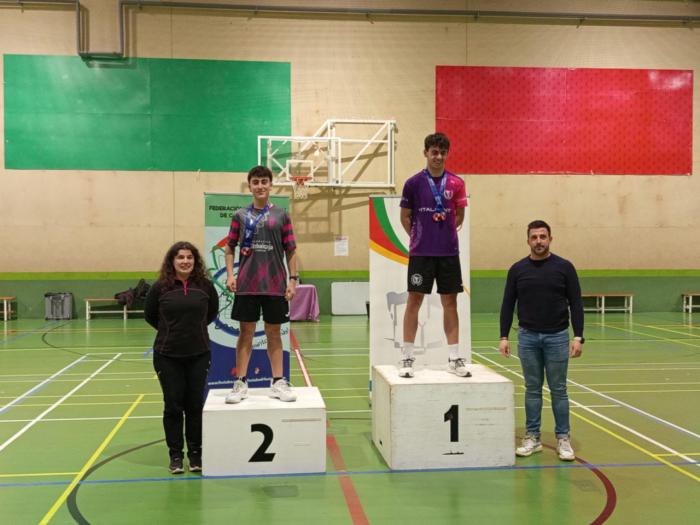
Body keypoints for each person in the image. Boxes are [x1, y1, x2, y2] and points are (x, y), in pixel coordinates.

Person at [499, 220, 584, 461]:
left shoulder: (564, 267)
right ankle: (532, 437)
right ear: (528, 240)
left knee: (559, 390)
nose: (539, 241)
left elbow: (576, 303)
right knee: (532, 389)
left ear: (550, 239)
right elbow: (508, 304)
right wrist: (504, 336)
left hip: (557, 337)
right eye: (534, 237)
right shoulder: (517, 270)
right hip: (527, 337)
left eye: (543, 237)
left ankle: (563, 438)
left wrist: (578, 336)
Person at [224, 165, 298, 404]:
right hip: (247, 286)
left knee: (274, 333)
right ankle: (241, 382)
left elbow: (291, 250)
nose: (260, 186)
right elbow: (229, 248)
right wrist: (230, 275)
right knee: (245, 333)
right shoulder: (240, 216)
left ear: (271, 185)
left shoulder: (282, 215)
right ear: (250, 186)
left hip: (275, 286)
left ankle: (277, 382)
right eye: (255, 182)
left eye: (264, 181)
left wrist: (293, 280)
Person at [399, 132, 470, 378]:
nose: (438, 157)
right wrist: (419, 236)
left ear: (447, 154)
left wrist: (445, 231)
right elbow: (405, 217)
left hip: (448, 253)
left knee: (450, 303)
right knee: (414, 301)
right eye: (434, 152)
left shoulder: (457, 183)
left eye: (442, 152)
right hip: (421, 253)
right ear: (426, 153)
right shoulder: (413, 183)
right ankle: (407, 357)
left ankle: (454, 358)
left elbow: (459, 215)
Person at [145, 241, 219, 474]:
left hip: (199, 354)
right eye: (180, 257)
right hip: (167, 356)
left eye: (189, 257)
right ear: (172, 261)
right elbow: (150, 316)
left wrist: (192, 333)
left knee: (195, 405)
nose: (185, 261)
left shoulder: (206, 287)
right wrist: (172, 332)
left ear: (195, 261)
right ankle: (175, 456)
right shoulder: (160, 288)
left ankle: (196, 455)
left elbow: (211, 314)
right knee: (173, 406)